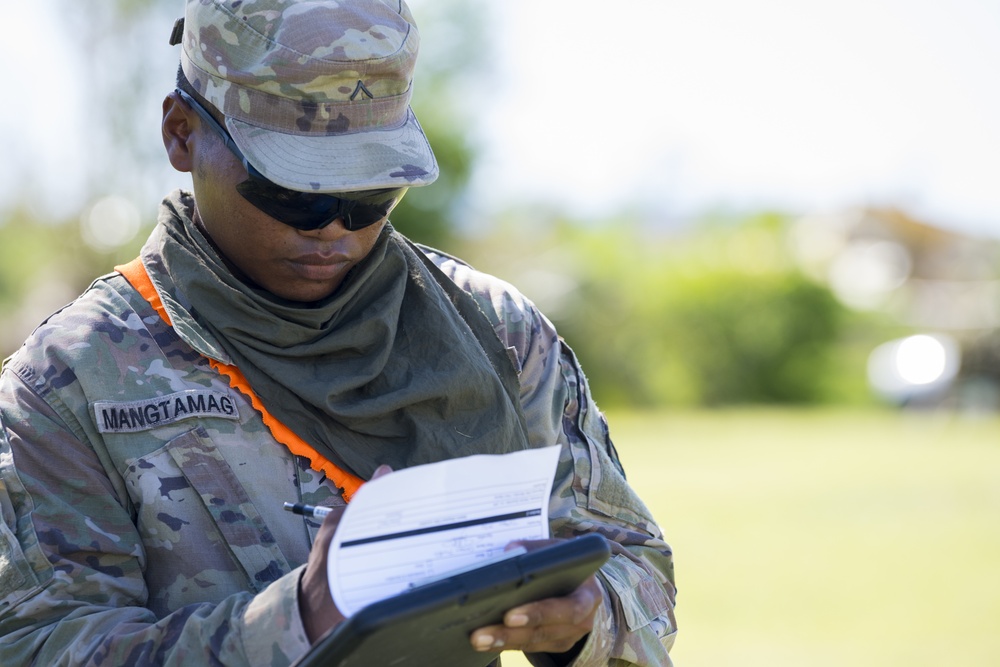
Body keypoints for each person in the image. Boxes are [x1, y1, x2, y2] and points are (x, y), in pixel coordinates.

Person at [0, 1, 677, 665]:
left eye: (372, 195)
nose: (333, 228)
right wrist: (294, 621)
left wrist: (588, 619)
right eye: (291, 193)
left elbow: (637, 567)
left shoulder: (497, 332)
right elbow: (38, 643)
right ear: (182, 134)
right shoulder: (71, 379)